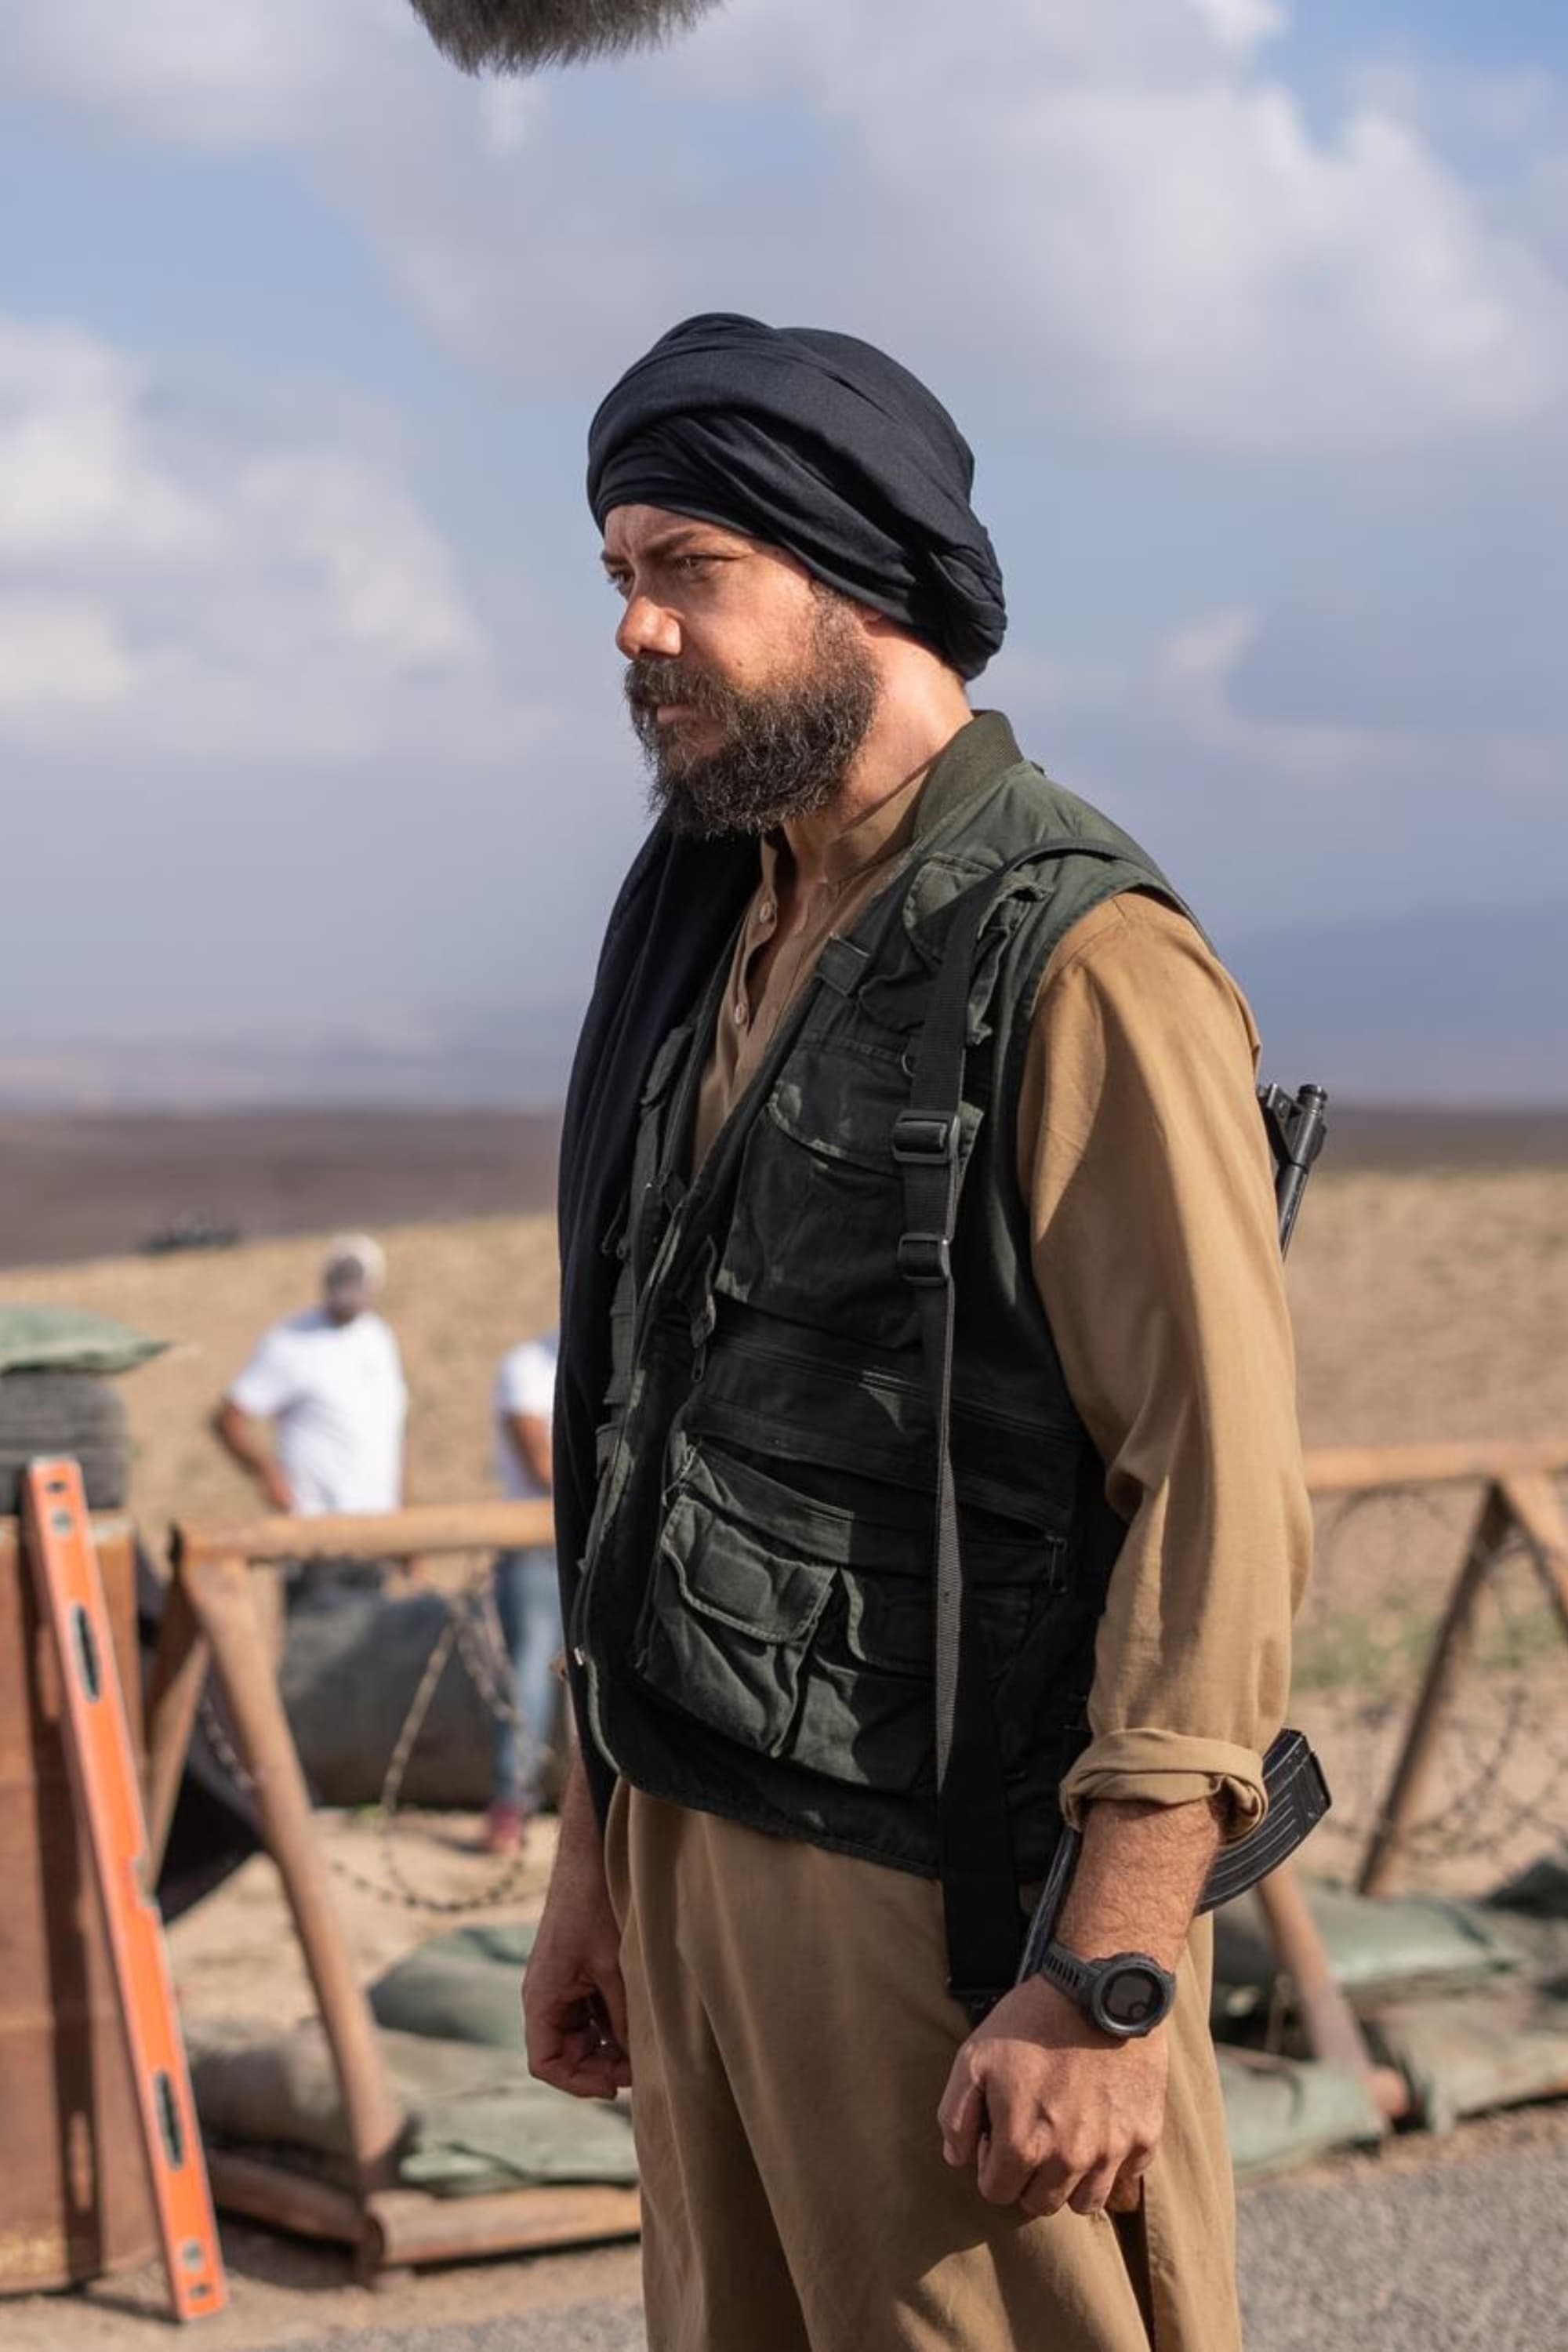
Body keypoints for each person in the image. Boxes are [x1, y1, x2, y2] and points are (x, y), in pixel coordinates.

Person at [524, 313, 1312, 2352]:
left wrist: (1107, 1975)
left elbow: (1211, 1487)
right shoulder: (717, 925)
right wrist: (596, 1858)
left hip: (944, 1917)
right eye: (618, 573)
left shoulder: (1075, 955)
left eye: (688, 568)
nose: (635, 629)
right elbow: (640, 1426)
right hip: (692, 1855)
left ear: (858, 577)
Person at [212, 1233, 407, 1522]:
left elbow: (391, 1430)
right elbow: (230, 1418)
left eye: (356, 1284)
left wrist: (403, 1504)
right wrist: (268, 1474)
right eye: (342, 1282)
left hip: (379, 1521)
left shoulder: (379, 1337)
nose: (349, 1295)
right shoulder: (290, 1341)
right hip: (316, 1522)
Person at [485, 1329, 564, 1854]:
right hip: (538, 1548)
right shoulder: (527, 1368)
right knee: (531, 1670)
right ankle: (511, 1801)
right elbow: (542, 1467)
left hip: (598, 1540)